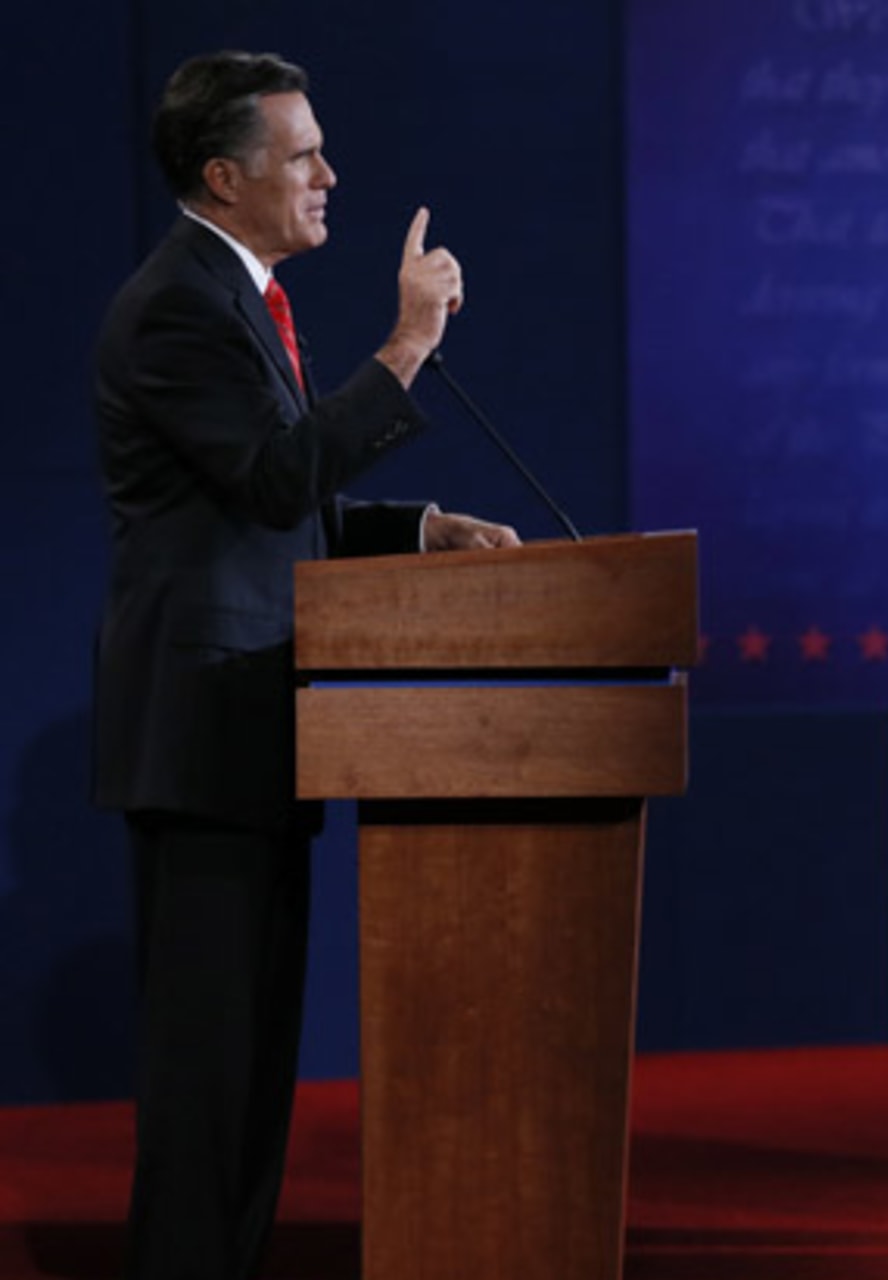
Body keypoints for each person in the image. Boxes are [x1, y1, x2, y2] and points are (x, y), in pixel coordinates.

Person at [92, 50, 520, 1279]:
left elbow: (270, 505)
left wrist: (419, 529)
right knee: (208, 1063)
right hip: (205, 730)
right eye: (303, 155)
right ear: (224, 176)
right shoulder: (181, 302)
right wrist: (406, 344)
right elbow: (277, 477)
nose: (330, 174)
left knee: (252, 1058)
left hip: (255, 727)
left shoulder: (238, 297)